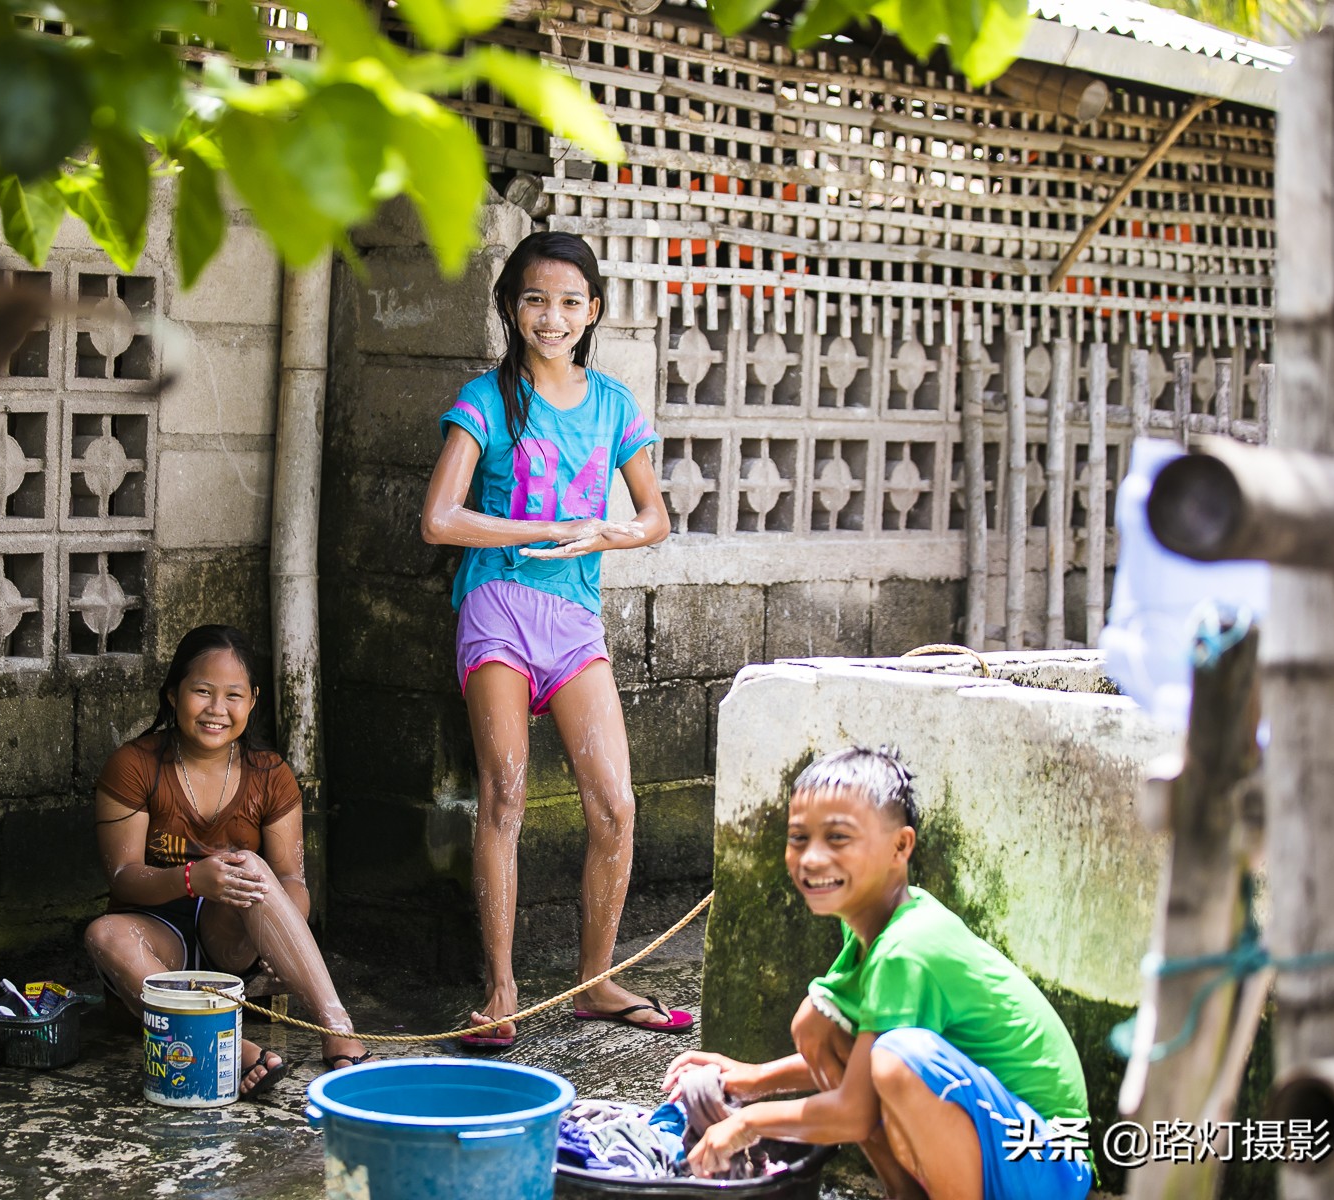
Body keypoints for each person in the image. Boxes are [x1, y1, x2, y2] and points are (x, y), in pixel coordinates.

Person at [420, 230, 688, 1047]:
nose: (552, 316)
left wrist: (604, 535)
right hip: (497, 604)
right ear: (511, 306)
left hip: (573, 621)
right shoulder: (484, 400)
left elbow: (656, 519)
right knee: (504, 792)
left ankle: (596, 984)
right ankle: (500, 990)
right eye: (536, 299)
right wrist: (542, 524)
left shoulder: (612, 405)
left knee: (617, 806)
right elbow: (438, 519)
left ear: (593, 311)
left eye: (571, 301)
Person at [661, 746, 1093, 1199]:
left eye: (838, 838)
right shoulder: (872, 927)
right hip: (1011, 1149)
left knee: (899, 1060)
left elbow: (855, 1111)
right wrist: (750, 1079)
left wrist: (747, 1123)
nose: (811, 859)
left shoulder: (908, 949)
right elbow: (850, 1061)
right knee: (819, 1022)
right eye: (798, 838)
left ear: (900, 846)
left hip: (1050, 1165)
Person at [83, 625, 372, 1096]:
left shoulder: (270, 775)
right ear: (173, 695)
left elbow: (292, 882)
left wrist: (279, 934)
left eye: (233, 695)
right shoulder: (134, 766)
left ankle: (337, 1030)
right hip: (156, 932)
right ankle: (238, 1051)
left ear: (253, 701)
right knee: (102, 934)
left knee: (252, 868)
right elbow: (124, 877)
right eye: (202, 692)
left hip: (231, 939)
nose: (217, 709)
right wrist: (194, 878)